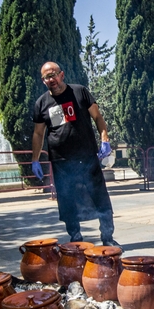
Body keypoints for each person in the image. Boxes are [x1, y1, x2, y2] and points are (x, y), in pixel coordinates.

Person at [31, 62, 117, 246]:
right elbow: (38, 133)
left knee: (99, 196)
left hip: (86, 157)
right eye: (47, 77)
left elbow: (98, 117)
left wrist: (105, 139)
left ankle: (108, 238)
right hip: (61, 161)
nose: (51, 79)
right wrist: (35, 159)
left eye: (53, 74)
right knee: (67, 199)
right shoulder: (41, 103)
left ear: (61, 74)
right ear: (43, 81)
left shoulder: (80, 92)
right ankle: (75, 238)